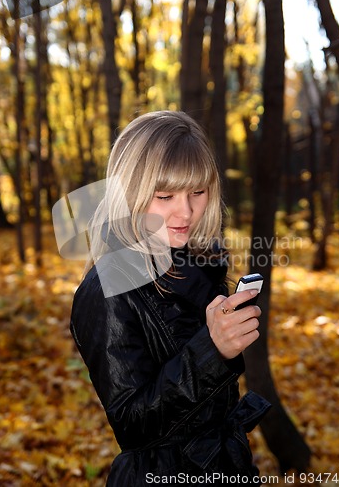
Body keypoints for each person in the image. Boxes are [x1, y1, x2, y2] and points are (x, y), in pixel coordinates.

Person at [70, 110, 270, 486]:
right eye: (165, 196)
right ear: (129, 194)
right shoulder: (106, 289)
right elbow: (132, 426)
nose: (186, 211)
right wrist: (212, 350)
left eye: (197, 191)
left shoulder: (201, 262)